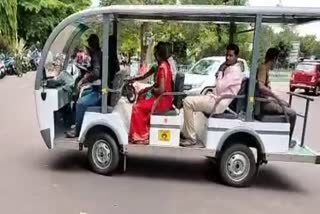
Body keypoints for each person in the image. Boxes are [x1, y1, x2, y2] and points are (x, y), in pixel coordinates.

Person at [180, 44, 243, 147]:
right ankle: (187, 132)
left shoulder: (234, 71)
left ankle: (190, 138)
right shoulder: (230, 68)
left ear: (236, 57)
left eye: (231, 55)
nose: (227, 57)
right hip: (216, 98)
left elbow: (219, 87)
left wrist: (220, 72)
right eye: (226, 55)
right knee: (190, 99)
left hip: (219, 103)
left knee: (187, 102)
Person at [66, 34, 119, 138]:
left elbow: (96, 73)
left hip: (102, 91)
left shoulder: (96, 55)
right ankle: (76, 122)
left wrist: (84, 79)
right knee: (82, 94)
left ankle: (77, 129)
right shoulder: (101, 54)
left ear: (91, 45)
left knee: (80, 103)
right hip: (104, 88)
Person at [128, 42, 173, 145]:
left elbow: (161, 90)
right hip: (164, 98)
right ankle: (142, 130)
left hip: (162, 100)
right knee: (141, 96)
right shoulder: (165, 65)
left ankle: (141, 136)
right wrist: (148, 90)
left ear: (157, 54)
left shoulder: (162, 68)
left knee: (137, 107)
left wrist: (151, 91)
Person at [256, 48, 297, 147]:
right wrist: (275, 97)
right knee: (292, 114)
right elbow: (261, 87)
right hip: (262, 103)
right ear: (274, 59)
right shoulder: (263, 68)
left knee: (286, 104)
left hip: (265, 100)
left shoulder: (265, 69)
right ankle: (287, 142)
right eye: (277, 59)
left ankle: (282, 137)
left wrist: (278, 100)